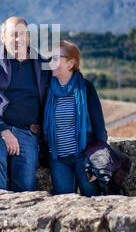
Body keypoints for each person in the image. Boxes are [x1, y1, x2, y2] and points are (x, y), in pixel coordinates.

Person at [0, 16, 51, 192]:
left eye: (22, 34)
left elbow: (51, 99)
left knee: (25, 185)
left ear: (28, 37)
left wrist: (42, 127)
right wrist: (5, 131)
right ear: (2, 37)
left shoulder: (42, 64)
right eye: (12, 35)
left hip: (27, 131)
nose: (18, 39)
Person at [43, 40, 107, 196]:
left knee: (92, 203)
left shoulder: (86, 88)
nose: (51, 62)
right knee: (63, 204)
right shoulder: (47, 88)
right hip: (58, 158)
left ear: (71, 63)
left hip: (84, 157)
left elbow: (99, 127)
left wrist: (99, 162)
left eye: (56, 58)